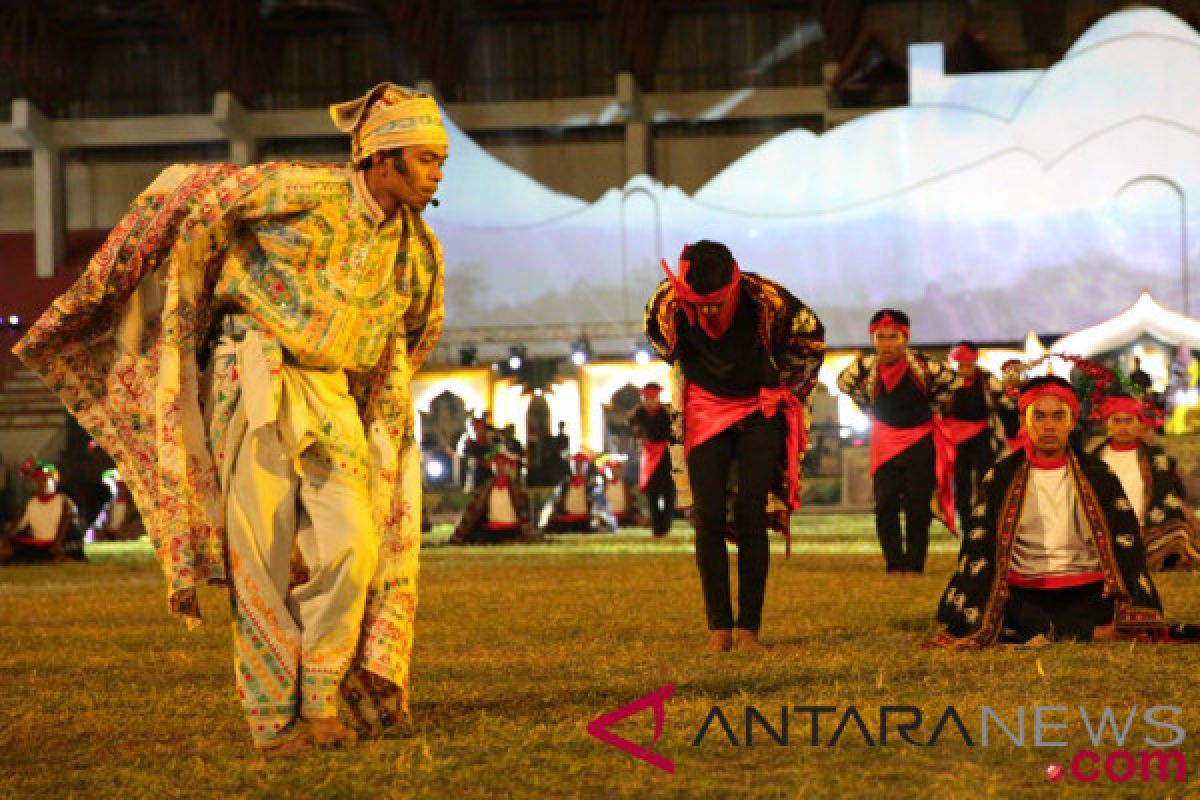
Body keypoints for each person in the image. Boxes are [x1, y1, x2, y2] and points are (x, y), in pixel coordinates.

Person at [14, 83, 448, 751]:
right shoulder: (301, 188)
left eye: (439, 162)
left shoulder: (414, 247)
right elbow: (196, 194)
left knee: (353, 546)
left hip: (332, 397)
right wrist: (141, 278)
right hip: (254, 378)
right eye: (426, 159)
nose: (436, 174)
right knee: (262, 554)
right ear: (380, 158)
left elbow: (416, 330)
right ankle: (277, 720)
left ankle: (323, 691)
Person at [645, 240, 825, 654]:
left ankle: (749, 631)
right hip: (705, 409)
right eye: (699, 304)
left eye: (715, 303)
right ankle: (719, 628)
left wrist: (786, 388)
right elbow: (660, 341)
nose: (707, 312)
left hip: (758, 408)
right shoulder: (666, 304)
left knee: (750, 511)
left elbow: (811, 337)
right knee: (706, 516)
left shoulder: (768, 300)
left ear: (733, 282)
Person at [927, 377, 1173, 648]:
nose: (1049, 426)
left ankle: (1059, 630)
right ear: (1024, 422)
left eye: (1058, 416)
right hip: (1024, 589)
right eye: (1039, 416)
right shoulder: (1001, 476)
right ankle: (1091, 633)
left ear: (1071, 422)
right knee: (1004, 611)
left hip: (1087, 588)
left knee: (1104, 610)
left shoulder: (1098, 474)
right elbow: (979, 546)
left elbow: (1126, 543)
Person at [837, 310, 958, 574]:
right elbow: (843, 383)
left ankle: (915, 564)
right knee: (886, 504)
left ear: (905, 338)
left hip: (919, 440)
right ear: (873, 339)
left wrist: (933, 407)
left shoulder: (924, 365)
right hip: (884, 440)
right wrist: (867, 407)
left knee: (917, 505)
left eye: (893, 337)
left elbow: (952, 381)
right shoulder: (864, 367)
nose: (887, 344)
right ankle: (894, 562)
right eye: (881, 337)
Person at [1091, 395, 1200, 570]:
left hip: (1147, 529)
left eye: (1128, 421)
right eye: (1117, 421)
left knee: (1180, 534)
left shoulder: (1155, 457)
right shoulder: (1095, 459)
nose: (1123, 427)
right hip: (1106, 530)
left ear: (1138, 423)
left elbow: (1165, 496)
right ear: (1107, 425)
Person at [943, 341, 1012, 529]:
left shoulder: (987, 380)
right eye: (960, 366)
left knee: (986, 481)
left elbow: (1005, 403)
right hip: (953, 440)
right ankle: (967, 525)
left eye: (968, 365)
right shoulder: (944, 381)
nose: (964, 370)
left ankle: (986, 521)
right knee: (960, 484)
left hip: (982, 437)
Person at [1, 458, 85, 564]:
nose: (40, 483)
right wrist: (6, 538)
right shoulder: (32, 503)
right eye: (37, 480)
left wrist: (58, 542)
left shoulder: (64, 500)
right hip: (40, 544)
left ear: (54, 481)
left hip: (61, 544)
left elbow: (68, 521)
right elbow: (20, 525)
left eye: (44, 479)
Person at [448, 449, 539, 545]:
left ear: (508, 467)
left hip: (512, 528)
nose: (500, 468)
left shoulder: (516, 488)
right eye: (497, 465)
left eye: (503, 464)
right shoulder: (486, 488)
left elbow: (525, 511)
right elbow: (474, 509)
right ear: (492, 467)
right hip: (492, 527)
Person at [629, 382, 676, 537]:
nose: (649, 401)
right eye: (647, 398)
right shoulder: (638, 413)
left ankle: (666, 526)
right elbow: (635, 430)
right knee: (653, 494)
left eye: (653, 397)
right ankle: (657, 528)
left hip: (666, 457)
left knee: (669, 494)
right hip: (649, 457)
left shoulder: (666, 413)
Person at [541, 452, 599, 533]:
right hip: (566, 519)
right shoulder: (565, 482)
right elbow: (553, 500)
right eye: (576, 463)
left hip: (585, 520)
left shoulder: (592, 484)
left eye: (581, 463)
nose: (578, 466)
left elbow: (597, 503)